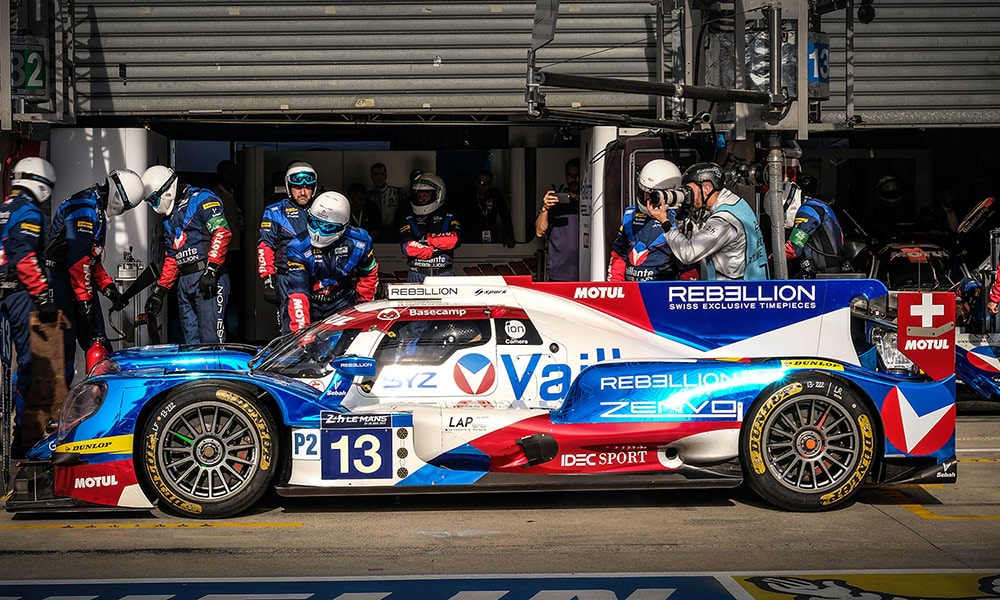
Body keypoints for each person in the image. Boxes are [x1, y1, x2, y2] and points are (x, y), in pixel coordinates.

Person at [46, 168, 143, 367]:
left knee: (99, 344)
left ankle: (103, 385)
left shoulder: (95, 208)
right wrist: (85, 303)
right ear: (119, 198)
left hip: (75, 281)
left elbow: (93, 260)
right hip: (58, 280)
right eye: (125, 207)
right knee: (63, 350)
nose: (122, 211)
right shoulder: (84, 207)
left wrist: (110, 289)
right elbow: (78, 263)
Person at [0, 157, 59, 455]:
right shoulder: (29, 212)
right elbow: (24, 256)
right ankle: (22, 438)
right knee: (29, 365)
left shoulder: (3, 208)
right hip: (19, 295)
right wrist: (43, 296)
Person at [141, 165, 232, 344]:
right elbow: (172, 256)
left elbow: (222, 232)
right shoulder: (170, 216)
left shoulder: (202, 198)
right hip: (185, 281)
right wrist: (160, 291)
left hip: (207, 277)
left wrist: (211, 269)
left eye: (154, 199)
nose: (155, 205)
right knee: (191, 343)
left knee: (212, 341)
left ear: (165, 190)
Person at [285, 191, 379, 332]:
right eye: (314, 223)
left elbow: (368, 273)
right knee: (298, 339)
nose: (318, 232)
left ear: (343, 226)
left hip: (343, 302)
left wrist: (364, 308)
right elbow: (298, 294)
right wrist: (301, 332)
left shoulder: (360, 241)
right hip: (311, 304)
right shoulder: (297, 247)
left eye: (327, 227)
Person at [662, 162, 768, 281]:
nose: (687, 195)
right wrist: (681, 215)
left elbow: (688, 253)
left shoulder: (723, 220)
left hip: (731, 288)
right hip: (753, 283)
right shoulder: (736, 205)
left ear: (706, 189)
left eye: (689, 190)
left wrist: (665, 223)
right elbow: (702, 237)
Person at [607, 159, 693, 282]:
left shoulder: (680, 220)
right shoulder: (630, 215)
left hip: (663, 288)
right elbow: (619, 254)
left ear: (670, 192)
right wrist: (616, 285)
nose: (647, 198)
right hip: (632, 288)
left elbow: (688, 263)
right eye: (644, 192)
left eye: (652, 195)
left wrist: (682, 288)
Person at [257, 161, 317, 335]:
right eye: (297, 188)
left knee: (322, 329)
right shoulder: (275, 211)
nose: (303, 192)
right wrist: (268, 280)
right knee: (292, 330)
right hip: (288, 278)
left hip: (317, 278)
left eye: (307, 187)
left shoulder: (322, 208)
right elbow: (265, 246)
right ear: (289, 188)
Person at [400, 172, 461, 282]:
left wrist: (427, 240)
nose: (421, 199)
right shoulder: (408, 218)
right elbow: (407, 247)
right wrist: (434, 249)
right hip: (416, 274)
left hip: (443, 274)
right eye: (419, 196)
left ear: (438, 195)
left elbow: (454, 240)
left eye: (425, 195)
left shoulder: (449, 216)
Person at [780, 178, 848, 277]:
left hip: (825, 274)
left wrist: (771, 258)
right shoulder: (819, 205)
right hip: (831, 270)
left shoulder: (807, 210)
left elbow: (792, 250)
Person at [535, 157, 581, 281]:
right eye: (570, 175)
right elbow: (539, 232)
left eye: (577, 175)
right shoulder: (555, 202)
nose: (573, 179)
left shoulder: (590, 202)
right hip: (560, 271)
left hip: (587, 269)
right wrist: (545, 208)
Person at [463, 169, 515, 247]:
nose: (483, 186)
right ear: (476, 183)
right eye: (481, 182)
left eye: (487, 183)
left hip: (491, 239)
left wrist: (509, 235)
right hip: (472, 240)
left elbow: (505, 216)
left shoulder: (494, 195)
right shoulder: (469, 196)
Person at [365, 162, 407, 242]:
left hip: (394, 231)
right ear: (372, 177)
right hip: (374, 233)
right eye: (376, 174)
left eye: (381, 174)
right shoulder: (368, 196)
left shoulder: (397, 192)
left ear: (385, 176)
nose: (379, 178)